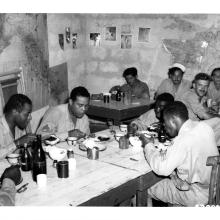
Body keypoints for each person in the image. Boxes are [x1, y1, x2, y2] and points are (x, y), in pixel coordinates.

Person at [141, 101, 219, 206]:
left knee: (144, 188)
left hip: (196, 194)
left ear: (173, 120)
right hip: (212, 188)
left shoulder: (183, 139)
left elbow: (161, 168)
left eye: (165, 121)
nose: (164, 125)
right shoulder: (203, 127)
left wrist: (148, 145)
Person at [0, 94, 36, 160]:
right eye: (27, 114)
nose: (30, 117)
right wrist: (17, 143)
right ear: (14, 111)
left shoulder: (19, 127)